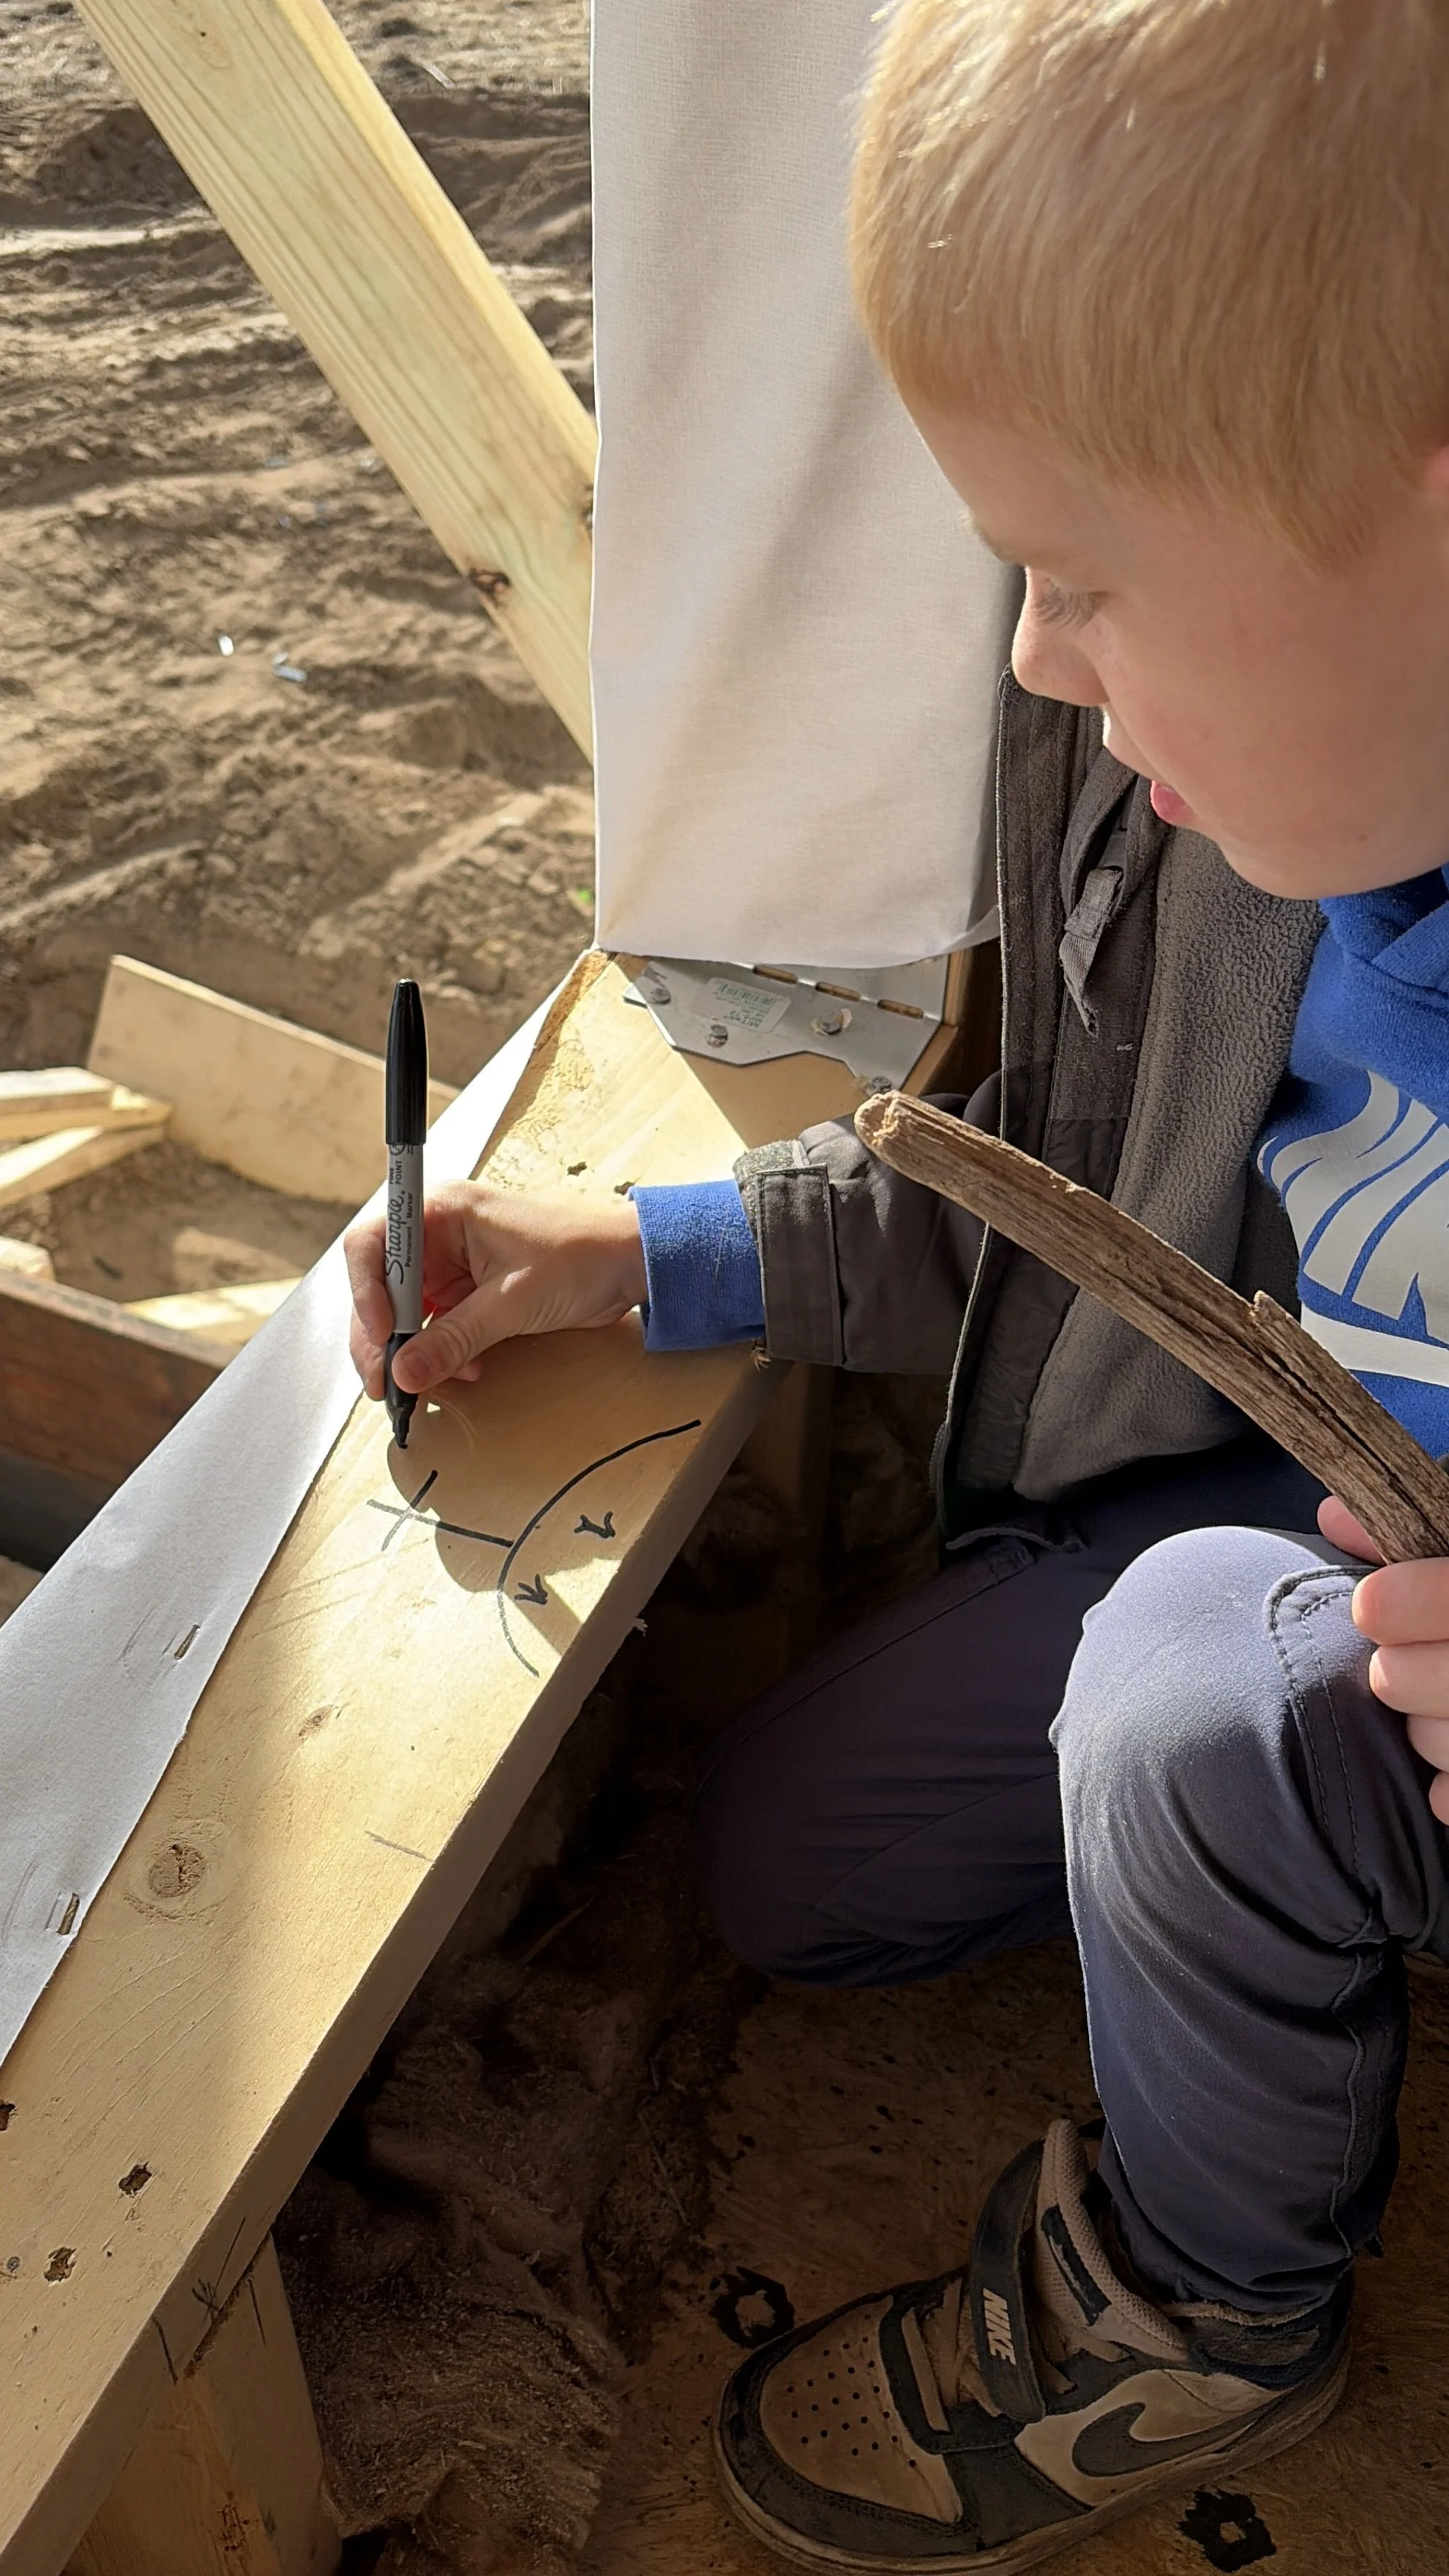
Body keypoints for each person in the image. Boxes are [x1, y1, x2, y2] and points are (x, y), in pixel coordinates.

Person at [345, 3, 1449, 2563]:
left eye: (1080, 577)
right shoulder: (1243, 829)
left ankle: (1203, 2308)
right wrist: (647, 1248)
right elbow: (1064, 1203)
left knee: (1183, 1684)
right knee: (801, 1866)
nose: (1037, 662)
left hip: (1282, 1629)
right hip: (1311, 1539)